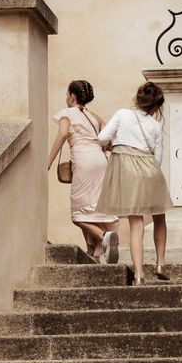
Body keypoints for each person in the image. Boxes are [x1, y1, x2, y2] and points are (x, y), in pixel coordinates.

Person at [96, 81, 173, 286]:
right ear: (156, 106)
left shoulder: (122, 114)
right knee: (159, 216)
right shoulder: (156, 125)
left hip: (128, 173)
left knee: (136, 224)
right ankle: (160, 263)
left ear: (136, 99)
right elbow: (158, 159)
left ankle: (139, 275)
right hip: (150, 172)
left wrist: (117, 145)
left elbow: (102, 138)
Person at [47, 80, 120, 263]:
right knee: (92, 206)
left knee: (78, 215)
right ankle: (93, 252)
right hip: (101, 161)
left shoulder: (67, 113)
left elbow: (63, 134)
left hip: (84, 161)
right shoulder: (93, 116)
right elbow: (107, 139)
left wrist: (47, 161)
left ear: (72, 96)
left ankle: (104, 236)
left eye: (67, 94)